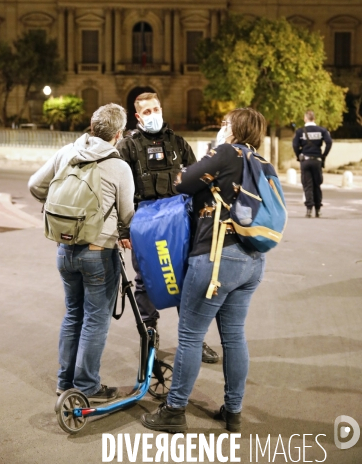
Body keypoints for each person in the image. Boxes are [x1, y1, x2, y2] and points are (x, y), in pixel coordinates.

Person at [141, 107, 267, 433]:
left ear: (235, 129)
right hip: (252, 261)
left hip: (216, 257)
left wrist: (215, 147)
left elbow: (183, 182)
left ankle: (174, 410)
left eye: (226, 123)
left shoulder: (226, 152)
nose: (222, 127)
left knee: (190, 336)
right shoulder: (263, 164)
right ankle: (233, 412)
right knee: (235, 337)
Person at [28, 103, 134, 401]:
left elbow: (35, 185)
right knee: (95, 319)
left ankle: (65, 382)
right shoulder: (119, 166)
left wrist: (60, 208)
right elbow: (128, 216)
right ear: (119, 134)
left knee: (73, 314)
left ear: (91, 125)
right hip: (98, 252)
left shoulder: (67, 152)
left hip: (65, 249)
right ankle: (86, 386)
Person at [117, 92, 219, 364]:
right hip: (144, 225)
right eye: (146, 112)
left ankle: (194, 339)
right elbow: (118, 191)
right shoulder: (127, 147)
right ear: (137, 116)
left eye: (156, 109)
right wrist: (123, 230)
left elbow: (198, 180)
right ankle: (149, 334)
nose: (153, 115)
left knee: (186, 278)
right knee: (146, 280)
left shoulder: (177, 143)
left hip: (178, 224)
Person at [292, 110, 332, 218]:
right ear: (314, 118)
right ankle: (318, 210)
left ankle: (309, 209)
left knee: (307, 185)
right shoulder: (322, 130)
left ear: (305, 118)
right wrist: (324, 155)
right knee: (317, 185)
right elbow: (329, 142)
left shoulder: (300, 131)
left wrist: (298, 155)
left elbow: (295, 145)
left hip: (305, 160)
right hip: (317, 160)